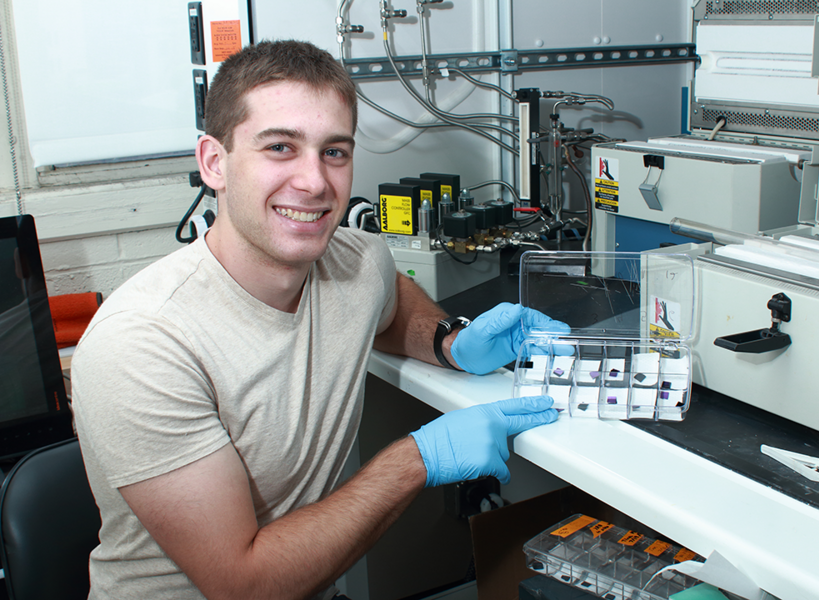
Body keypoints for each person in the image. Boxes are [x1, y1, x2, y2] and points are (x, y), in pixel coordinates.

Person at [71, 40, 562, 600]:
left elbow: (391, 300)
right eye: (280, 147)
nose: (313, 181)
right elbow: (244, 586)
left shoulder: (355, 260)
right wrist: (413, 461)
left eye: (334, 151)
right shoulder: (141, 344)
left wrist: (452, 341)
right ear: (215, 162)